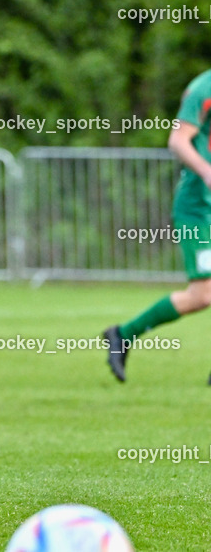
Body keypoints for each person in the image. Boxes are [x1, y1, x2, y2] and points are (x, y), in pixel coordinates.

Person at [104, 70, 211, 383]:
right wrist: (206, 171)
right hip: (199, 209)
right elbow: (177, 140)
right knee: (202, 294)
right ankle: (123, 335)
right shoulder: (204, 87)